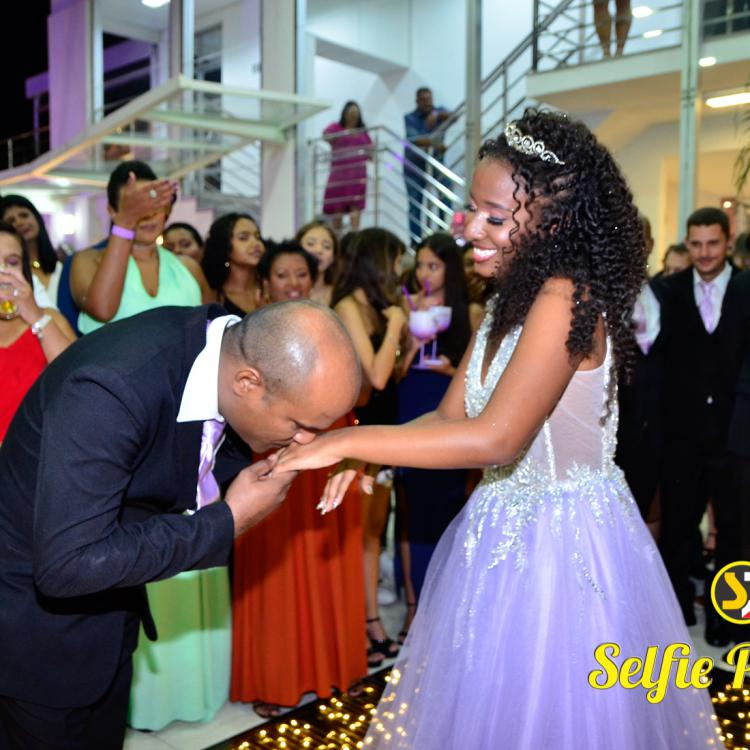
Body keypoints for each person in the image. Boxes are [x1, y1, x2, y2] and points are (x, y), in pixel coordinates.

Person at [277, 109, 718, 748]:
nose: (470, 230)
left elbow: (497, 438)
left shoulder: (567, 298)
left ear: (553, 223)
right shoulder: (508, 300)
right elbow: (449, 417)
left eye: (493, 216)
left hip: (565, 546)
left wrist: (345, 440)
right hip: (498, 532)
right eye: (471, 210)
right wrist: (372, 456)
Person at [0, 300, 361, 749]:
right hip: (35, 640)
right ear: (248, 383)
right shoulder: (109, 389)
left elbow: (200, 450)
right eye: (302, 425)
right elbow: (68, 564)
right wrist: (227, 522)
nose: (307, 440)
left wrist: (344, 444)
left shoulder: (223, 350)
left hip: (110, 613)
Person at [231, 242, 367, 718]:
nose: (293, 283)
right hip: (272, 445)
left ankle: (336, 665)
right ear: (265, 283)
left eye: (301, 274)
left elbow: (360, 389)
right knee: (276, 568)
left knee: (330, 558)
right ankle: (276, 677)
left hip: (330, 441)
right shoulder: (247, 335)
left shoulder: (328, 327)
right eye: (282, 275)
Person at [649, 207, 741, 648]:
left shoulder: (746, 288)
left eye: (713, 243)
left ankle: (730, 618)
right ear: (687, 243)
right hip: (680, 435)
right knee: (678, 527)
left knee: (736, 534)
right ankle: (676, 609)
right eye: (696, 244)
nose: (704, 253)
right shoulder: (666, 291)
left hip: (734, 436)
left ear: (728, 241)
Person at [394, 232, 478, 641]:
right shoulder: (407, 307)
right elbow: (392, 375)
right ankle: (414, 606)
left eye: (434, 266)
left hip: (450, 408)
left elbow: (479, 377)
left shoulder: (469, 312)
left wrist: (449, 369)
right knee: (411, 507)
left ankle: (447, 604)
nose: (425, 274)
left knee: (449, 506)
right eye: (421, 265)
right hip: (412, 403)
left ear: (450, 269)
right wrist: (411, 343)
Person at [331, 227, 407, 667]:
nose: (399, 269)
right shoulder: (347, 306)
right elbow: (375, 377)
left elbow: (391, 375)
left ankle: (371, 619)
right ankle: (359, 623)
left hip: (384, 431)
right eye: (395, 260)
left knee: (375, 531)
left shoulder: (377, 309)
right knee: (357, 534)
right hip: (360, 433)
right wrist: (396, 325)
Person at [70, 161, 213, 333]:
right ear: (113, 211)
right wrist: (126, 222)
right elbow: (103, 311)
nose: (148, 214)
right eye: (135, 205)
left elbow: (213, 328)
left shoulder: (189, 268)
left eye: (153, 203)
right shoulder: (88, 261)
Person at [0, 222, 75, 442]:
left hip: (40, 451)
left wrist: (36, 316)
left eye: (12, 262)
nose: (3, 273)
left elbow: (76, 379)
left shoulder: (49, 319)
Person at [404, 87, 452, 246]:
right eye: (423, 100)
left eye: (429, 99)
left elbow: (454, 115)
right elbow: (415, 139)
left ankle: (442, 235)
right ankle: (416, 242)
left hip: (436, 164)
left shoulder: (439, 111)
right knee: (415, 205)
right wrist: (435, 143)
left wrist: (437, 115)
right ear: (417, 101)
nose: (427, 102)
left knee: (445, 196)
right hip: (415, 167)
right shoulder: (410, 118)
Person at [1, 194, 63, 306]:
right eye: (11, 221)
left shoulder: (62, 267)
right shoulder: (7, 275)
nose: (19, 222)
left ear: (37, 218)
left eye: (24, 215)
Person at [322, 101, 373, 232]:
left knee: (355, 206)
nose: (353, 115)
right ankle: (337, 236)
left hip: (357, 176)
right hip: (339, 175)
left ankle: (355, 235)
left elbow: (371, 152)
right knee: (337, 207)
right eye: (351, 113)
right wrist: (334, 137)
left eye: (355, 113)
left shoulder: (363, 132)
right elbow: (326, 135)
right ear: (345, 114)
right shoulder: (336, 127)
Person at [202, 212, 265, 315]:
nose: (256, 244)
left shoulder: (269, 288)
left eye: (257, 237)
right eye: (243, 238)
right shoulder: (215, 296)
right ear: (224, 245)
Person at [296, 220, 339, 306]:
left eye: (326, 246)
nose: (318, 250)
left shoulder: (339, 295)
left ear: (333, 257)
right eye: (310, 244)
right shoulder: (286, 292)